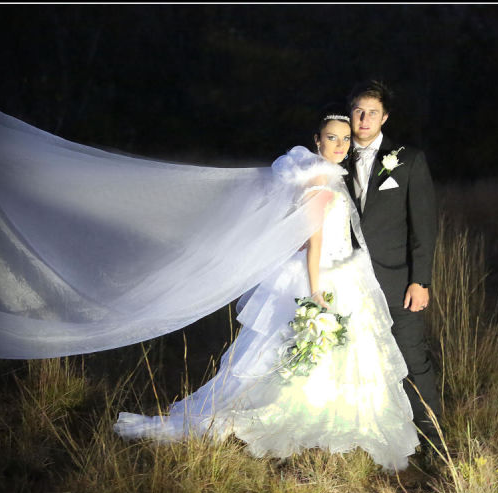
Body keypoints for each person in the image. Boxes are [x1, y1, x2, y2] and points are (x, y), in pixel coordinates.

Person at [114, 110, 421, 472]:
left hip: (340, 267)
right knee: (308, 349)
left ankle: (331, 417)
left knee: (331, 352)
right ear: (317, 141)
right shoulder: (319, 181)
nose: (340, 145)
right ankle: (309, 418)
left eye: (344, 138)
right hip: (323, 274)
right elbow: (314, 242)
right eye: (331, 137)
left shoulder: (325, 176)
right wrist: (316, 290)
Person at [343, 80, 442, 450]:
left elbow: (423, 228)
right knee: (351, 359)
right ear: (350, 113)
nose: (364, 118)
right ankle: (364, 437)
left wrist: (421, 280)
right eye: (358, 110)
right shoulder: (334, 159)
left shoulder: (407, 160)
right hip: (346, 282)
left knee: (412, 359)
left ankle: (433, 440)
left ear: (384, 117)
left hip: (396, 281)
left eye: (372, 112)